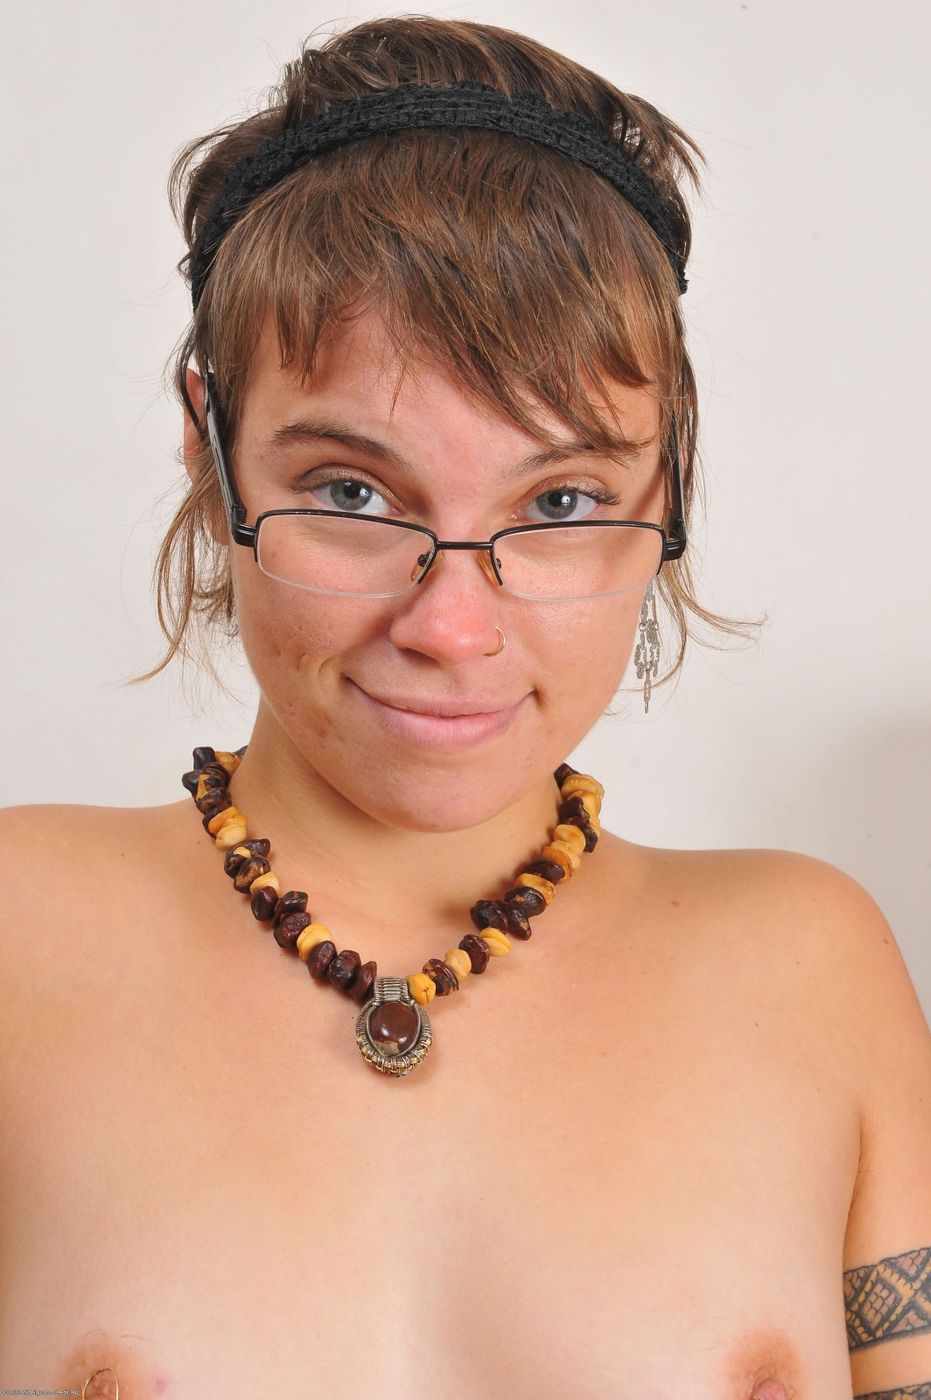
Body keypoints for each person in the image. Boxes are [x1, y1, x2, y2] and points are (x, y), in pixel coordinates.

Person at [1, 15, 929, 1400]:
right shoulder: (16, 937)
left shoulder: (816, 968)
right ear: (207, 446)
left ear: (669, 476)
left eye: (558, 503)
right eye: (351, 492)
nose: (449, 627)